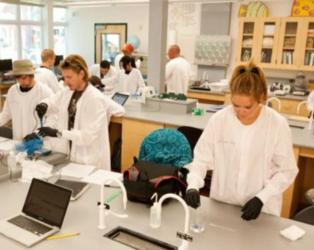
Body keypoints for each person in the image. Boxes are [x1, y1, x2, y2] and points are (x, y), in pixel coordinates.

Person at [184, 62, 298, 220]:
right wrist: (193, 185)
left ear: (262, 99)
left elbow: (287, 170)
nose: (240, 112)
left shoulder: (277, 124)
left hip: (261, 210)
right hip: (223, 203)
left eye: (247, 107)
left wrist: (262, 198)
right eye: (236, 105)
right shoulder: (219, 120)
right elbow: (202, 159)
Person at [30, 55, 112, 169]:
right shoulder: (68, 91)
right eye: (64, 77)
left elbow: (87, 136)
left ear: (82, 74)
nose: (66, 81)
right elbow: (53, 100)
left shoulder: (95, 99)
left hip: (90, 158)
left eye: (69, 77)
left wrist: (58, 133)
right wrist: (45, 105)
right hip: (72, 155)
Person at [0, 60, 52, 140]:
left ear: (31, 75)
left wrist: (38, 133)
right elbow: (6, 114)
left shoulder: (44, 91)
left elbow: (53, 117)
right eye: (17, 78)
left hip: (38, 142)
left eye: (24, 78)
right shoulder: (12, 91)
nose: (20, 81)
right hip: (18, 141)